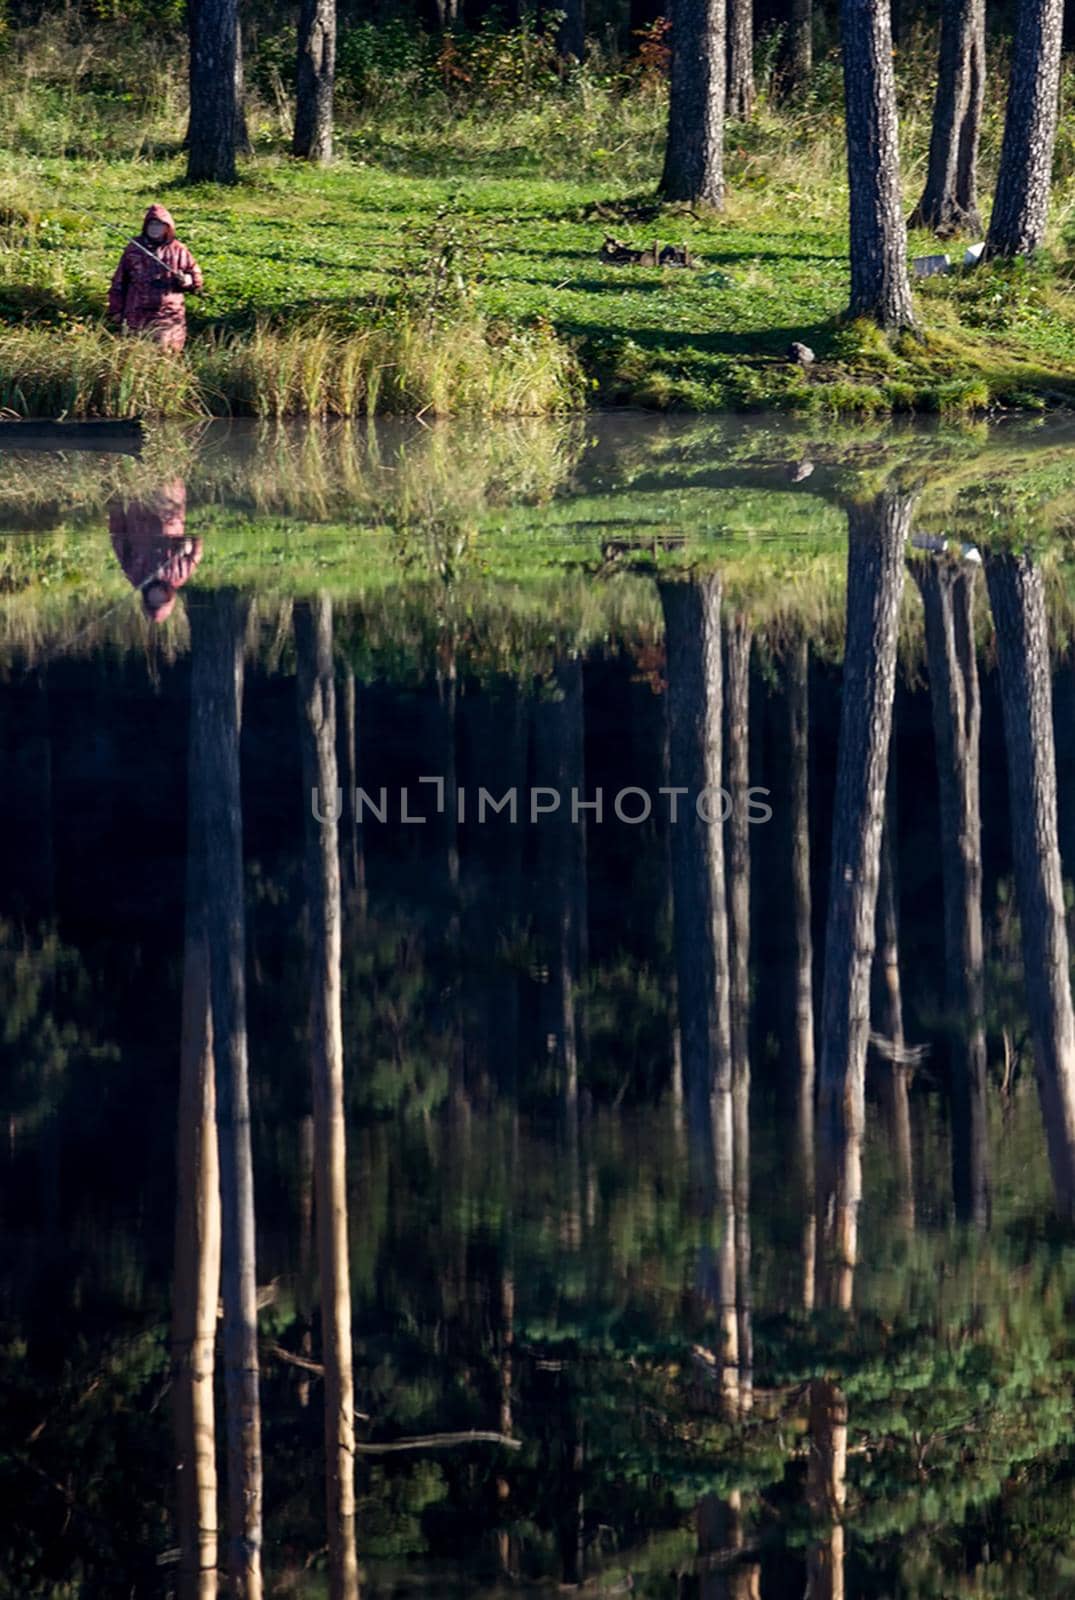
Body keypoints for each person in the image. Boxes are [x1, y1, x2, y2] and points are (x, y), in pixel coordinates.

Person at [107, 204, 203, 353]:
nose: (155, 228)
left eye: (159, 225)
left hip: (169, 313)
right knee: (136, 353)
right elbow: (119, 282)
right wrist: (115, 310)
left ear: (168, 227)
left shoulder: (179, 249)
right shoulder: (134, 249)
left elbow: (195, 277)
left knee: (165, 353)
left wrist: (188, 281)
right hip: (136, 312)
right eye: (152, 224)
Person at [109, 480, 202, 623]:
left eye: (154, 600)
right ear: (169, 598)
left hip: (140, 509)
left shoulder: (135, 575)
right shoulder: (179, 576)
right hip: (171, 508)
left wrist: (116, 511)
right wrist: (188, 545)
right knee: (168, 475)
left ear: (147, 600)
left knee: (141, 476)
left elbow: (118, 540)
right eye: (161, 600)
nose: (157, 596)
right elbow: (196, 550)